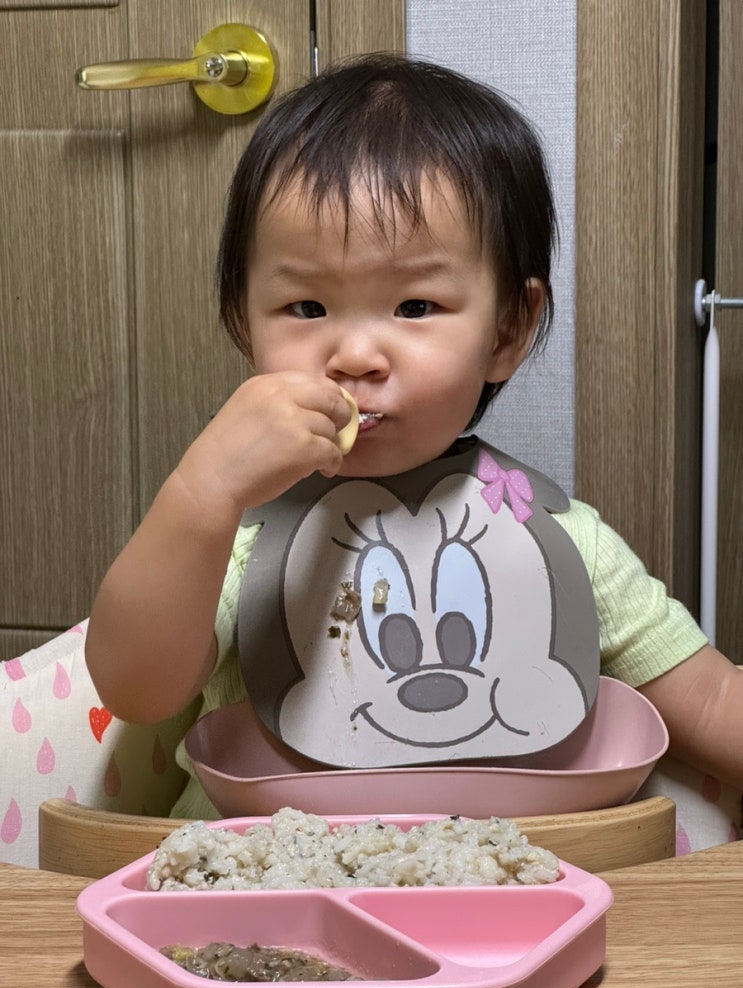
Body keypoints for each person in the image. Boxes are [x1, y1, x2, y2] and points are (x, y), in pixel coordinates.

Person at [85, 53, 743, 820]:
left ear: (506, 330)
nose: (355, 355)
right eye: (305, 308)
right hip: (251, 885)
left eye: (414, 307)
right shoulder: (235, 539)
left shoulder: (552, 538)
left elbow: (709, 699)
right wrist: (202, 494)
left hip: (497, 891)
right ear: (242, 321)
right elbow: (134, 688)